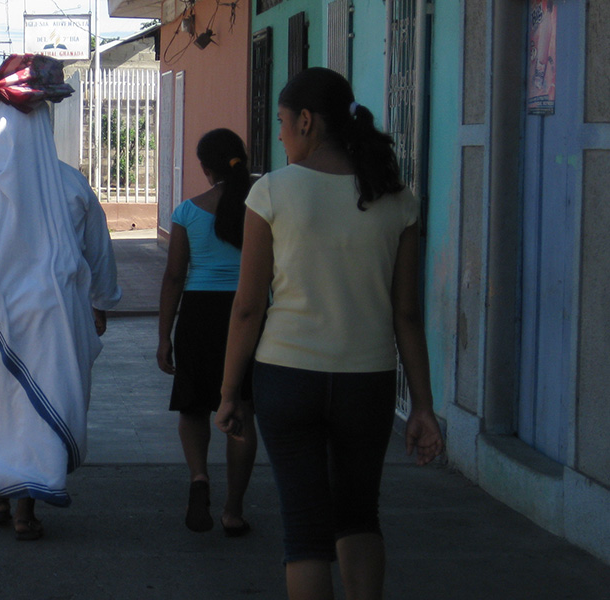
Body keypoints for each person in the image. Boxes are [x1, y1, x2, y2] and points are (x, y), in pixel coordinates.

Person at [215, 67, 445, 599]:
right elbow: (406, 314)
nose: (278, 136)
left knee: (305, 529)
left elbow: (248, 308)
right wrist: (425, 407)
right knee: (360, 515)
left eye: (280, 123)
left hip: (287, 379)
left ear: (305, 120)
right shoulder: (396, 198)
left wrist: (230, 392)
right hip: (368, 382)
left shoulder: (271, 192)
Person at [0, 54, 121, 541]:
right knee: (35, 408)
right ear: (44, 119)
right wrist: (99, 304)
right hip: (55, 319)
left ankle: (0, 498)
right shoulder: (72, 184)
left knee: (1, 402)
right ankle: (24, 511)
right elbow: (99, 253)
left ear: (1, 122)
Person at [157, 128, 257, 536]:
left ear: (205, 167)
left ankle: (199, 477)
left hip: (198, 315)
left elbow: (174, 276)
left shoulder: (187, 212)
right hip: (247, 313)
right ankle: (233, 510)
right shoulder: (261, 208)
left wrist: (164, 336)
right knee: (242, 410)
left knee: (193, 407)